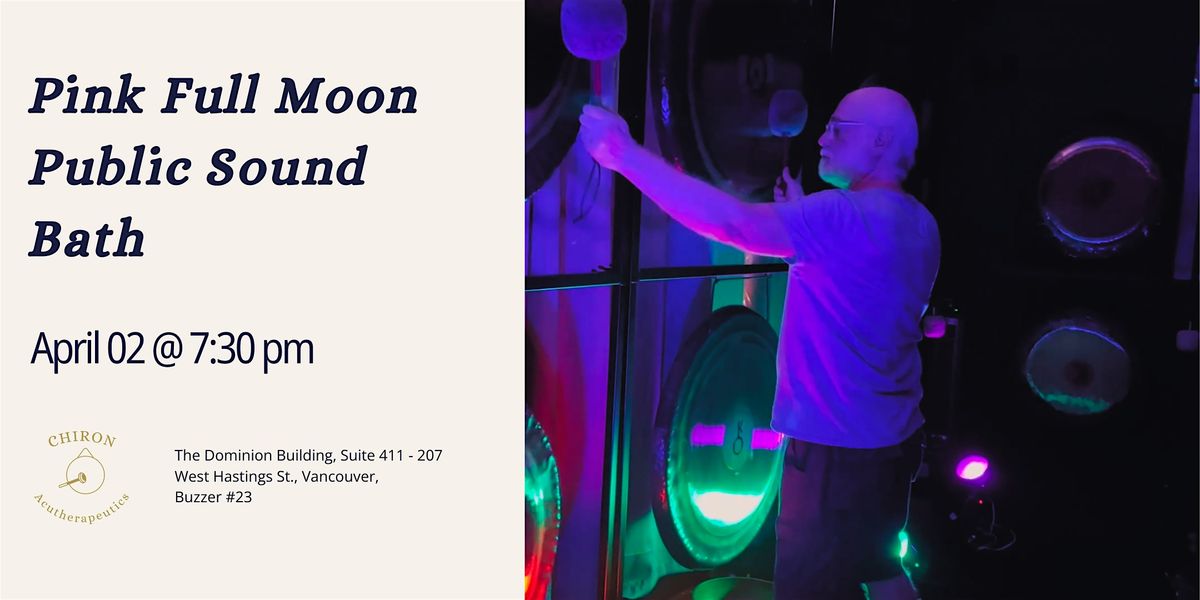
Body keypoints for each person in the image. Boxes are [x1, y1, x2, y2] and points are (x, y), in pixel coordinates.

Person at [578, 87, 940, 600]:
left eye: (838, 129)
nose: (822, 138)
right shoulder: (921, 223)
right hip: (890, 444)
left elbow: (734, 223)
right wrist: (799, 219)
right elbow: (860, 287)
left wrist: (624, 154)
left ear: (881, 141)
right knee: (879, 567)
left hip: (834, 454)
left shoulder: (840, 215)